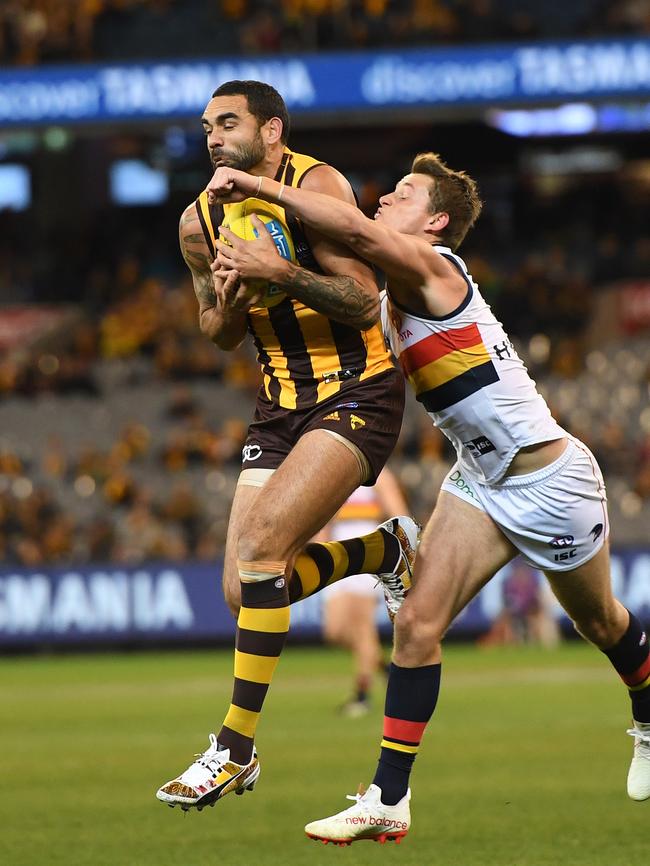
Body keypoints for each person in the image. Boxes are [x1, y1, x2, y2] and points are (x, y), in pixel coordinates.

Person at [205, 153, 650, 842]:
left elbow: (351, 231)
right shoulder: (388, 295)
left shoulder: (432, 266)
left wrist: (263, 186)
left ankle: (648, 715)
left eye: (404, 193)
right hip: (478, 479)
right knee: (415, 628)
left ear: (436, 221)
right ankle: (388, 796)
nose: (384, 198)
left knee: (602, 625)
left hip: (550, 482)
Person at [156, 80, 414, 812]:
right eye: (207, 125)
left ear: (273, 131)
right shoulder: (197, 221)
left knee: (265, 547)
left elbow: (366, 298)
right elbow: (215, 329)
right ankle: (383, 552)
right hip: (278, 406)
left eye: (228, 122)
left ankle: (233, 747)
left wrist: (281, 273)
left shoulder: (317, 184)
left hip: (358, 390)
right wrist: (236, 301)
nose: (213, 135)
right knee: (244, 589)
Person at [320, 466, 410, 717]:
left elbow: (399, 516)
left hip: (366, 555)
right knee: (334, 630)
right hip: (337, 554)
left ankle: (362, 696)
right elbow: (325, 516)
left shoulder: (380, 476)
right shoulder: (338, 473)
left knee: (361, 627)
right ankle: (385, 667)